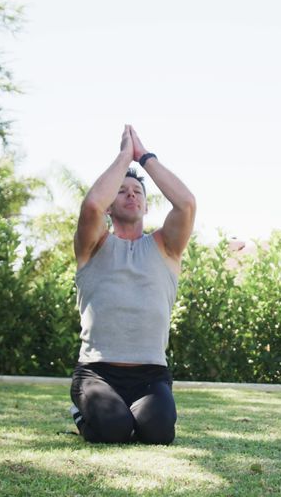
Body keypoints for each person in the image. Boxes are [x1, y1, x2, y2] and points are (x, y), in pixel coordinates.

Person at [69, 124, 196, 444]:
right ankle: (82, 412)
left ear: (145, 205)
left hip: (150, 376)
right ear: (111, 205)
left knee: (158, 434)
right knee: (113, 429)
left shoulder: (166, 247)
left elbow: (186, 204)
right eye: (122, 191)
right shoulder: (94, 245)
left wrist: (144, 157)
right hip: (98, 372)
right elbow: (92, 206)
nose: (130, 195)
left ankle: (127, 415)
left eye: (137, 192)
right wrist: (125, 156)